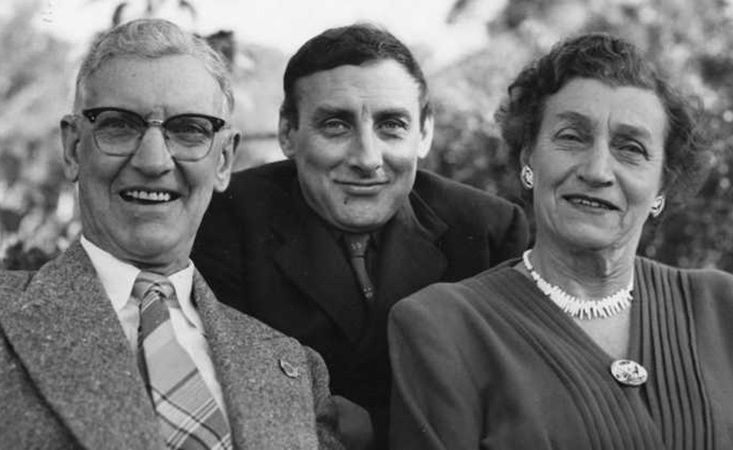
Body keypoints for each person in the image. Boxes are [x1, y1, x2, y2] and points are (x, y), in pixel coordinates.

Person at [0, 19, 342, 450]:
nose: (153, 161)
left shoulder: (292, 368)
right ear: (73, 147)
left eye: (189, 129)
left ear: (225, 160)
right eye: (119, 125)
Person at [389, 33, 733, 450]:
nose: (597, 170)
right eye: (572, 137)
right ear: (528, 158)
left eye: (631, 148)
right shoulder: (443, 328)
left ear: (662, 185)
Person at [191, 24, 529, 448]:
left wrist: (377, 430)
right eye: (336, 125)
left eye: (391, 126)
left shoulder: (492, 231)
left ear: (424, 133)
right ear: (288, 133)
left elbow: (515, 406)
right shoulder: (223, 219)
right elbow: (230, 398)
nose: (367, 159)